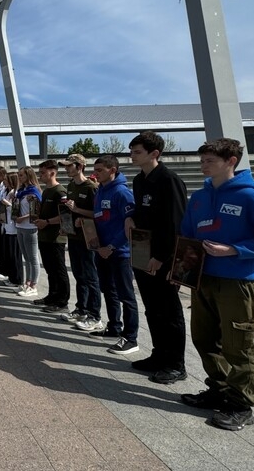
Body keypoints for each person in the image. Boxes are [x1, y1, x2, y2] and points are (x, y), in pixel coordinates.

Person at [179, 138, 254, 431]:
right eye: (202, 160)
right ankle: (219, 389)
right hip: (204, 279)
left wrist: (235, 250)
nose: (204, 166)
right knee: (204, 339)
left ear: (231, 161)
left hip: (237, 283)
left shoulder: (251, 197)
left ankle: (241, 404)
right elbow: (187, 236)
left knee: (238, 346)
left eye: (210, 161)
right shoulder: (200, 198)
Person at [125, 132, 189, 385]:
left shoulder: (169, 180)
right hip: (143, 252)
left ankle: (175, 364)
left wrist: (162, 257)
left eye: (137, 151)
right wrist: (130, 217)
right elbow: (142, 213)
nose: (132, 155)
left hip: (162, 257)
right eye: (131, 151)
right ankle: (159, 355)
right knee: (152, 308)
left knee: (169, 310)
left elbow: (175, 223)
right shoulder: (140, 180)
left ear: (155, 154)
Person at [90, 155, 140, 356]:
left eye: (100, 170)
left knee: (126, 295)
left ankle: (131, 338)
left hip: (119, 252)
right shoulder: (100, 190)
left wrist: (111, 246)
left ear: (112, 170)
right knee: (108, 290)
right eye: (95, 169)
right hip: (102, 251)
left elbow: (130, 226)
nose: (96, 173)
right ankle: (114, 326)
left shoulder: (122, 193)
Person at [58, 155, 103, 332]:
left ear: (80, 166)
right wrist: (65, 225)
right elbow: (69, 210)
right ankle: (81, 309)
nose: (67, 169)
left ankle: (95, 315)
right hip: (74, 236)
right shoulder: (71, 186)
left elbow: (96, 213)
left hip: (88, 238)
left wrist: (78, 211)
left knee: (91, 276)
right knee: (79, 275)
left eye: (70, 166)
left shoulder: (91, 187)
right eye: (66, 166)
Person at [33, 160, 69, 313]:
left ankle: (62, 301)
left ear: (52, 173)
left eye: (43, 173)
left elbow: (65, 215)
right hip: (44, 236)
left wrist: (47, 222)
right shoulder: (46, 191)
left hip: (55, 238)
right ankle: (52, 295)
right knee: (49, 269)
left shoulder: (59, 192)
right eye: (40, 173)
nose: (40, 176)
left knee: (58, 269)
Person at [13, 166, 41, 298]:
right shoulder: (21, 191)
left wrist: (22, 217)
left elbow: (35, 211)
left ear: (28, 176)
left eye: (21, 175)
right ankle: (27, 282)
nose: (19, 177)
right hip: (21, 226)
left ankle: (33, 285)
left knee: (33, 257)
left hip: (30, 227)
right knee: (26, 256)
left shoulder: (33, 191)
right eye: (19, 175)